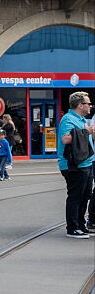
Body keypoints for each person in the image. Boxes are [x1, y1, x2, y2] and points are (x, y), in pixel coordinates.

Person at [58, 91, 94, 239]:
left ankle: (80, 224)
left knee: (85, 195)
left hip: (86, 162)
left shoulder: (81, 119)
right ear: (80, 105)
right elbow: (65, 139)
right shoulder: (68, 119)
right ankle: (72, 228)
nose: (90, 106)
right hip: (73, 164)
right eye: (88, 103)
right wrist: (86, 131)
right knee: (75, 196)